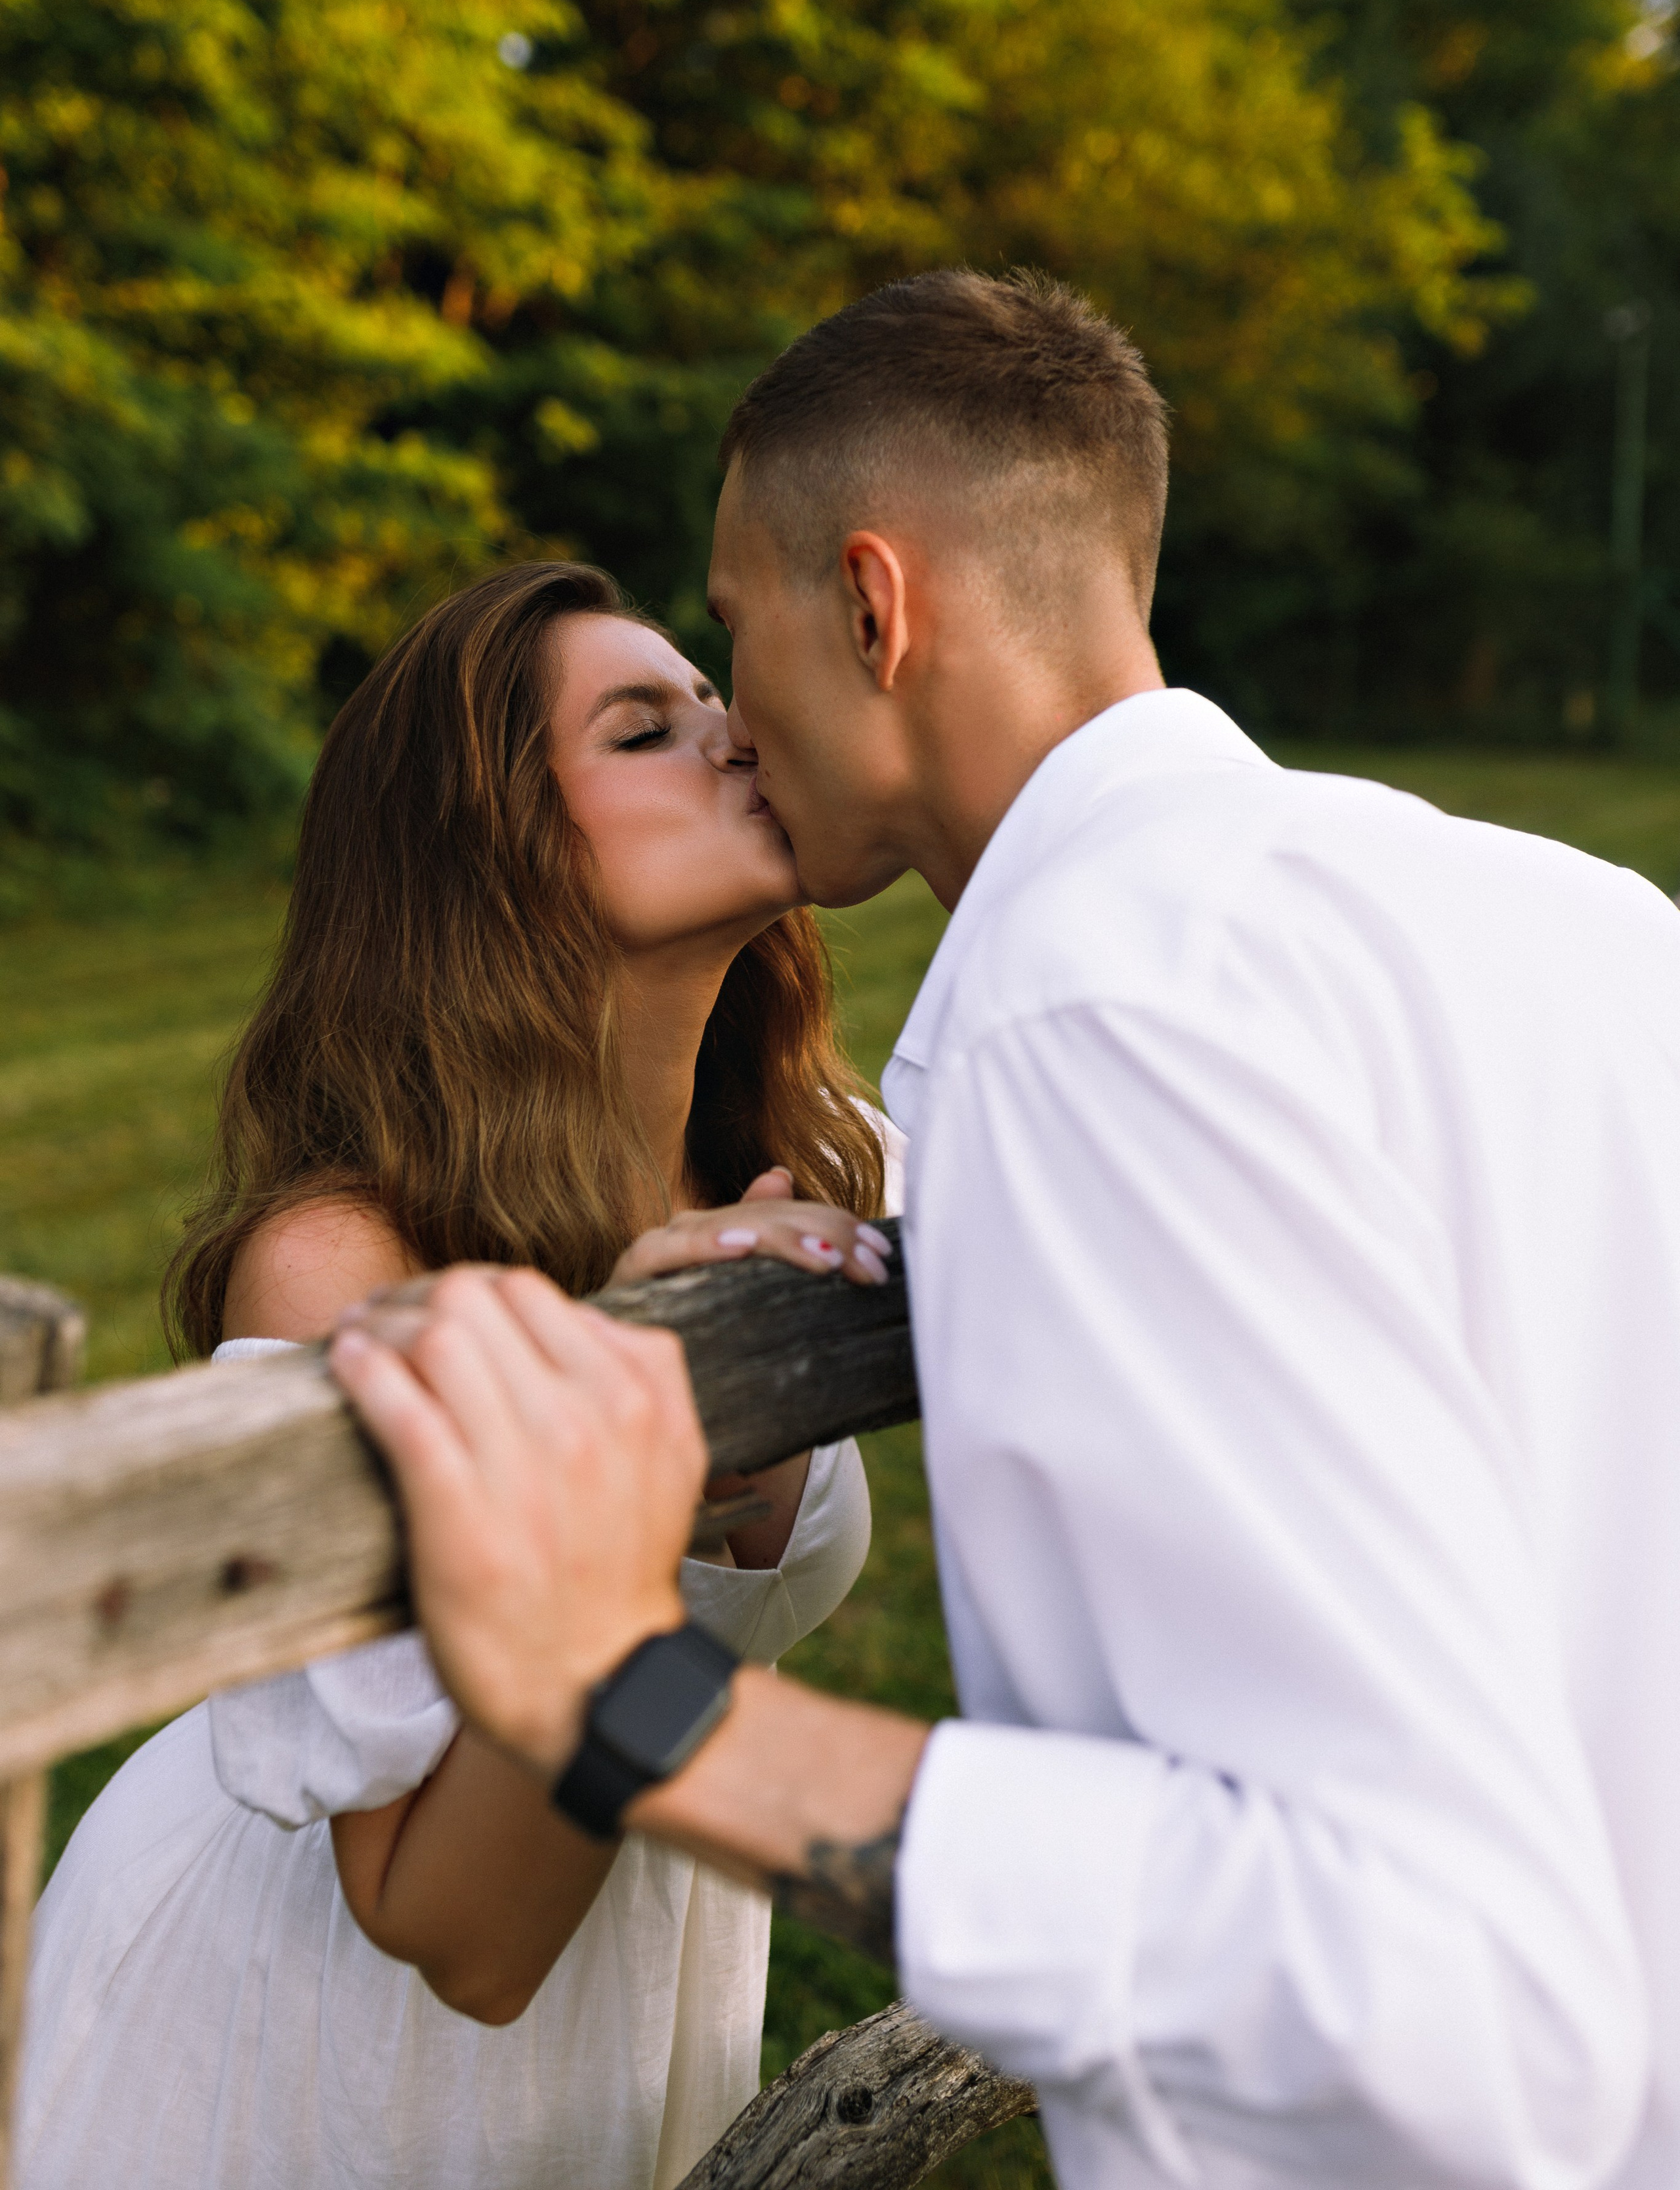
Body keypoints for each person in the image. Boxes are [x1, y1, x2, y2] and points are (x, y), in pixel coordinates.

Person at [331, 269, 1680, 2190]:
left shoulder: (1092, 1011)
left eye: (737, 629)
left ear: (872, 608)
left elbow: (1424, 1985)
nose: (736, 716)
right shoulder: (1589, 920)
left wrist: (634, 1697)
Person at [19, 562, 902, 2190]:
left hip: (636, 1980)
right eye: (645, 729)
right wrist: (637, 1442)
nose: (737, 737)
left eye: (716, 703)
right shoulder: (349, 1263)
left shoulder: (801, 1178)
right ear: (487, 852)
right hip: (318, 2045)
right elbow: (459, 1935)